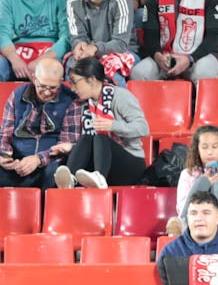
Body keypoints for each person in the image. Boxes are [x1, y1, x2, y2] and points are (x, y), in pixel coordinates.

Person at [0, 56, 81, 189]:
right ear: (34, 78)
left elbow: (67, 144)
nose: (47, 92)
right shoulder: (17, 96)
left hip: (49, 164)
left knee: (56, 174)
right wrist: (2, 155)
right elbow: (4, 135)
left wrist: (38, 159)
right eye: (42, 86)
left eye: (53, 88)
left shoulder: (70, 100)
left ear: (61, 82)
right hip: (19, 164)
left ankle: (49, 209)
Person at [57, 56, 150, 189]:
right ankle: (70, 180)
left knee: (101, 137)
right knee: (87, 138)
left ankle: (99, 177)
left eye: (75, 82)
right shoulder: (83, 104)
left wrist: (113, 125)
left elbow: (143, 128)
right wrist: (71, 147)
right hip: (100, 162)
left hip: (130, 163)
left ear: (92, 80)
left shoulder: (120, 96)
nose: (72, 88)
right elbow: (89, 146)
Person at [65, 0, 138, 82]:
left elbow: (121, 44)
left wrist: (95, 48)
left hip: (123, 52)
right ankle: (78, 103)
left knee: (111, 72)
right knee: (73, 69)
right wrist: (79, 45)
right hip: (89, 52)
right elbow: (77, 37)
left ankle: (116, 102)